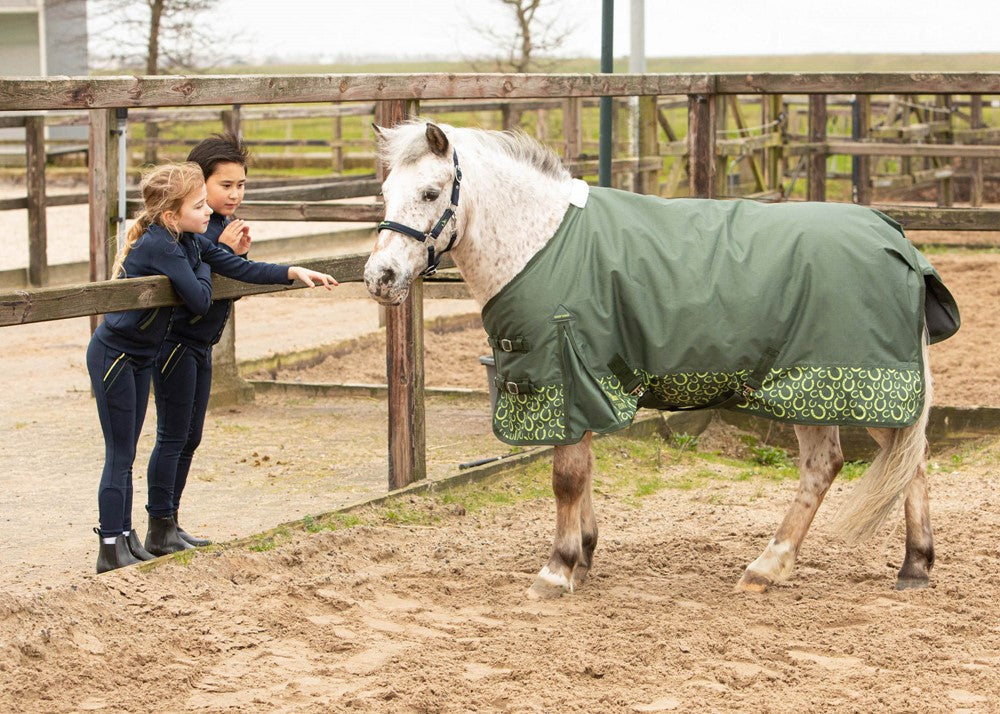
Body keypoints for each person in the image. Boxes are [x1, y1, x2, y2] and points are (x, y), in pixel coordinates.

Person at [89, 161, 336, 573]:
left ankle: (127, 538)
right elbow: (201, 298)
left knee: (128, 452)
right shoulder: (164, 246)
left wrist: (291, 271)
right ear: (172, 215)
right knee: (120, 454)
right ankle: (111, 544)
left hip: (140, 355)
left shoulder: (187, 240)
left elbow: (239, 267)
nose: (209, 213)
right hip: (115, 355)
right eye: (200, 205)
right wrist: (208, 261)